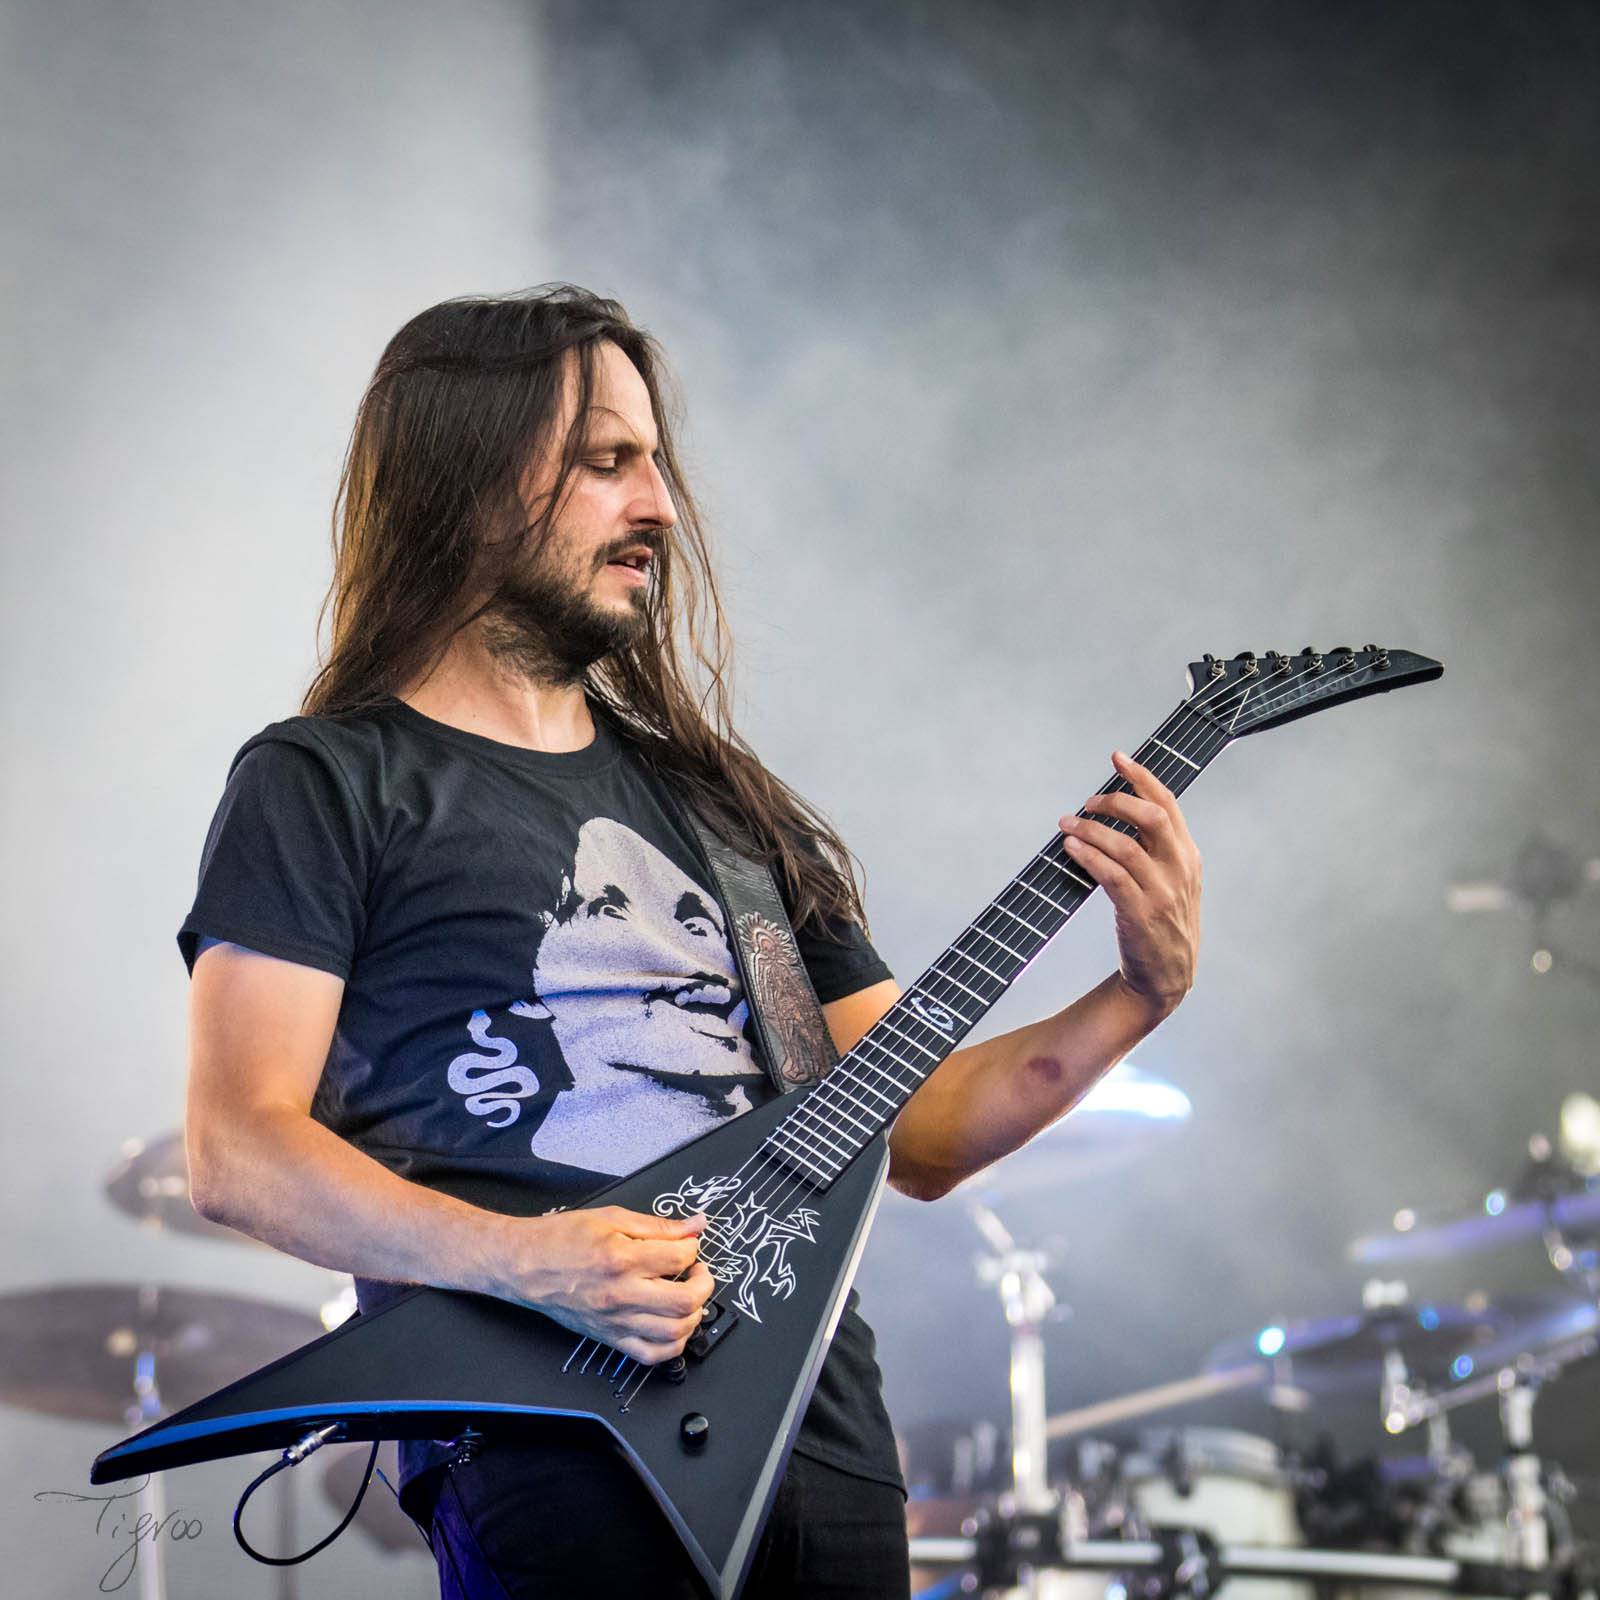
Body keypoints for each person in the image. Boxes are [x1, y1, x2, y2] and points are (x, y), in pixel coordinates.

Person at [180, 285, 1203, 1598]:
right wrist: (521, 1257)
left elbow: (926, 1130)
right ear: (473, 475)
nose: (660, 504)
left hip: (822, 1442)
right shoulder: (325, 783)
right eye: (610, 462)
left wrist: (1135, 997)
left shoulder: (719, 805)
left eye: (655, 461)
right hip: (548, 1443)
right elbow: (237, 1150)